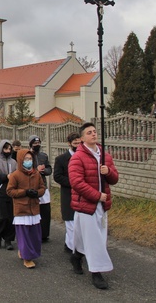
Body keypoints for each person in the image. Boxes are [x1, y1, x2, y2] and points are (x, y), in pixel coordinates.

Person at [68, 122, 119, 290]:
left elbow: (114, 178)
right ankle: (97, 272)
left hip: (102, 206)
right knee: (94, 239)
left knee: (92, 236)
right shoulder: (78, 157)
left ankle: (76, 256)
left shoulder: (105, 155)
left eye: (95, 132)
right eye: (89, 132)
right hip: (86, 205)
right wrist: (97, 196)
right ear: (82, 138)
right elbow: (76, 182)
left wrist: (108, 172)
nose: (93, 134)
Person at [6, 149, 46, 268]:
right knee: (24, 235)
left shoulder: (36, 174)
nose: (28, 161)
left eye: (30, 159)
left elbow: (42, 188)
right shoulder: (15, 175)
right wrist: (24, 192)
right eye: (26, 159)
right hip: (21, 209)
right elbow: (10, 191)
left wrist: (37, 193)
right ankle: (27, 258)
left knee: (34, 235)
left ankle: (28, 252)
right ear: (20, 160)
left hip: (34, 208)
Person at [53, 132, 81, 252]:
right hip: (68, 194)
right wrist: (74, 183)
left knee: (79, 224)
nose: (78, 145)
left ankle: (73, 245)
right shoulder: (61, 159)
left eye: (80, 143)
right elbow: (57, 176)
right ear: (69, 144)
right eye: (75, 143)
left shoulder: (83, 157)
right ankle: (72, 248)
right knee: (71, 224)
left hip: (82, 196)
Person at [0, 139, 17, 250]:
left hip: (12, 194)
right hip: (1, 193)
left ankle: (8, 239)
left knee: (11, 218)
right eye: (6, 148)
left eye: (10, 149)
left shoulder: (14, 163)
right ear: (1, 149)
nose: (8, 150)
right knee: (2, 217)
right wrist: (5, 177)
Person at [28, 135, 52, 242]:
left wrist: (44, 171)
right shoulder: (27, 156)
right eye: (35, 143)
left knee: (45, 211)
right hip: (32, 187)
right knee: (34, 211)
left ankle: (44, 234)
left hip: (44, 186)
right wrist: (36, 170)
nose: (37, 145)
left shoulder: (43, 156)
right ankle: (33, 233)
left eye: (38, 143)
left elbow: (49, 169)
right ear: (30, 144)